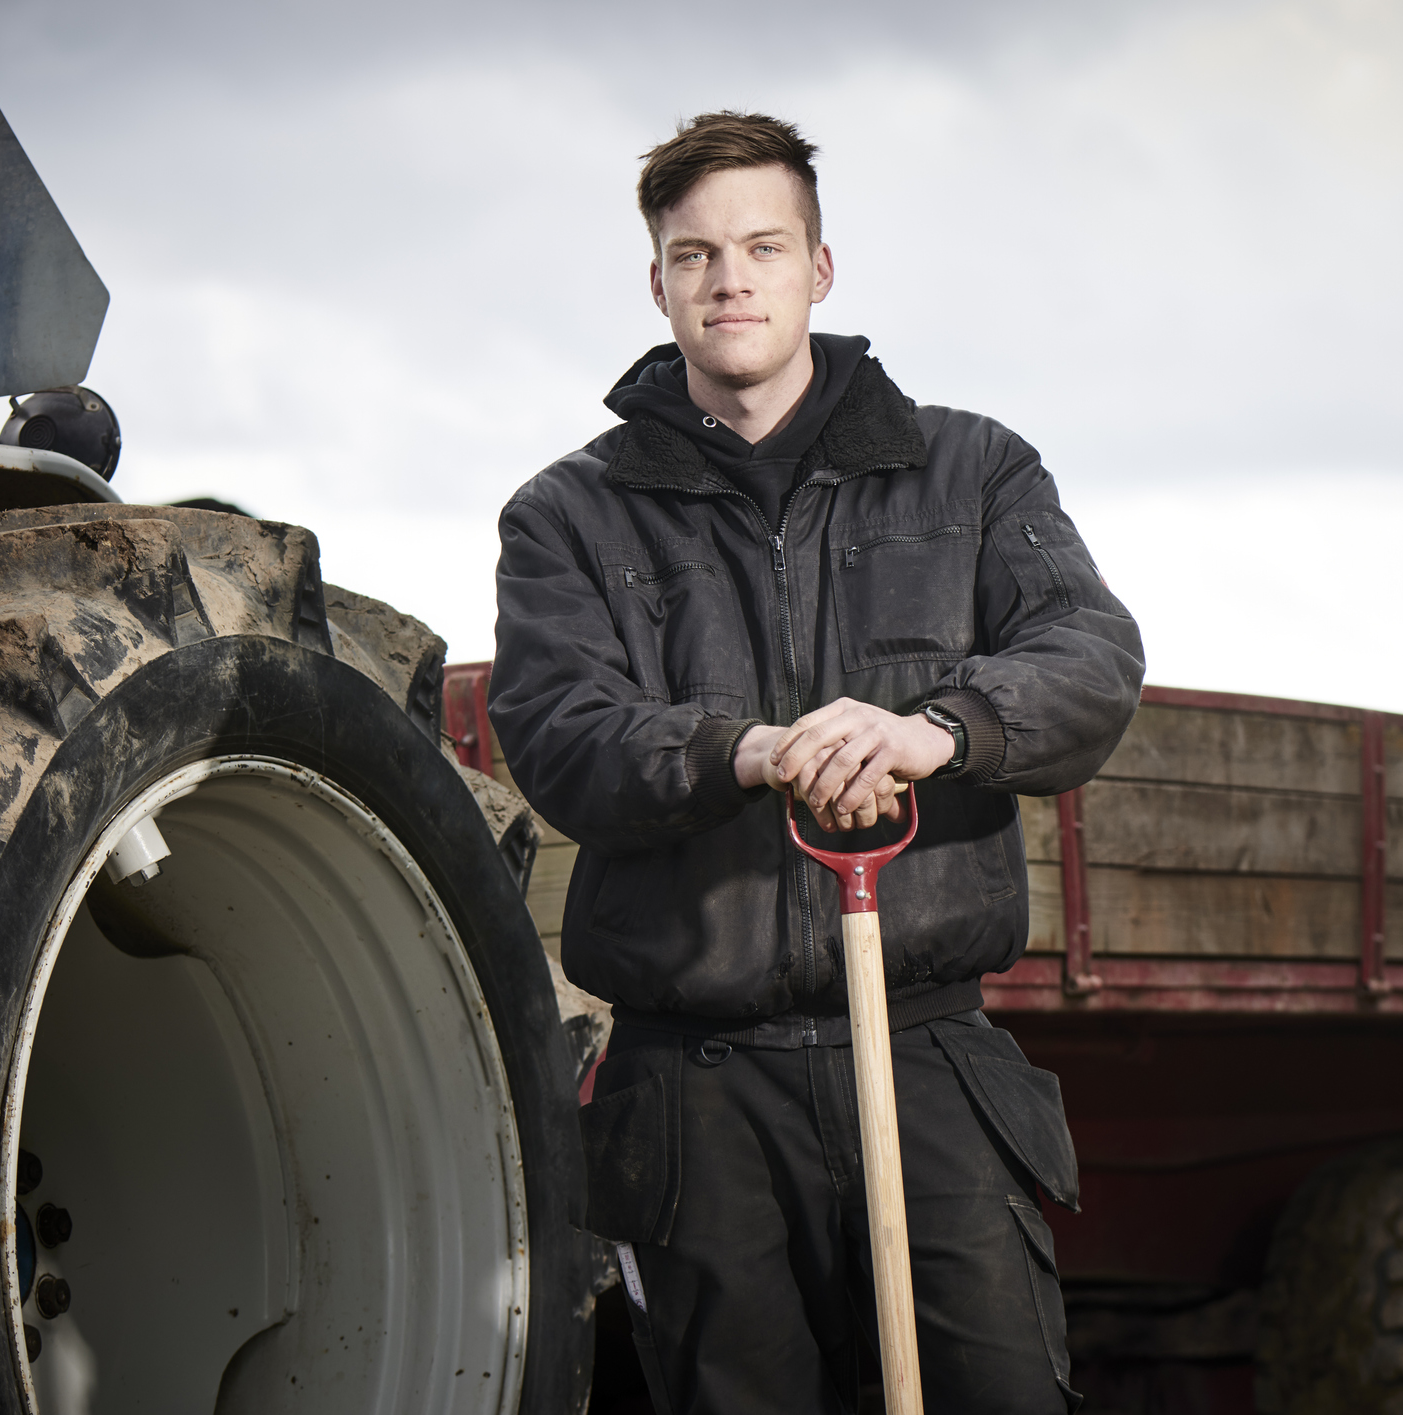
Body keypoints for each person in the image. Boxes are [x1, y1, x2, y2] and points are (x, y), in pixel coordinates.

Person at [489, 111, 1144, 1414]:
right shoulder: (567, 514)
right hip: (698, 1092)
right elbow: (560, 732)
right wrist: (743, 752)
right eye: (697, 256)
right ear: (660, 282)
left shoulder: (972, 470)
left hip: (926, 1056)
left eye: (762, 247)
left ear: (818, 270)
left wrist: (936, 730)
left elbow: (1091, 656)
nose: (731, 279)